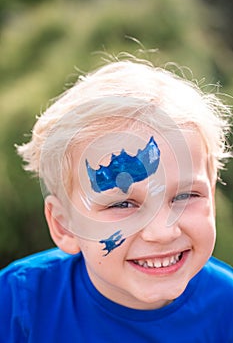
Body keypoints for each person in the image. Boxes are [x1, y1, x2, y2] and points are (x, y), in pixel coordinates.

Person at [0, 57, 232, 342]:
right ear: (65, 226)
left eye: (186, 195)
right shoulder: (18, 303)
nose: (162, 232)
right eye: (122, 204)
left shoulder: (227, 311)